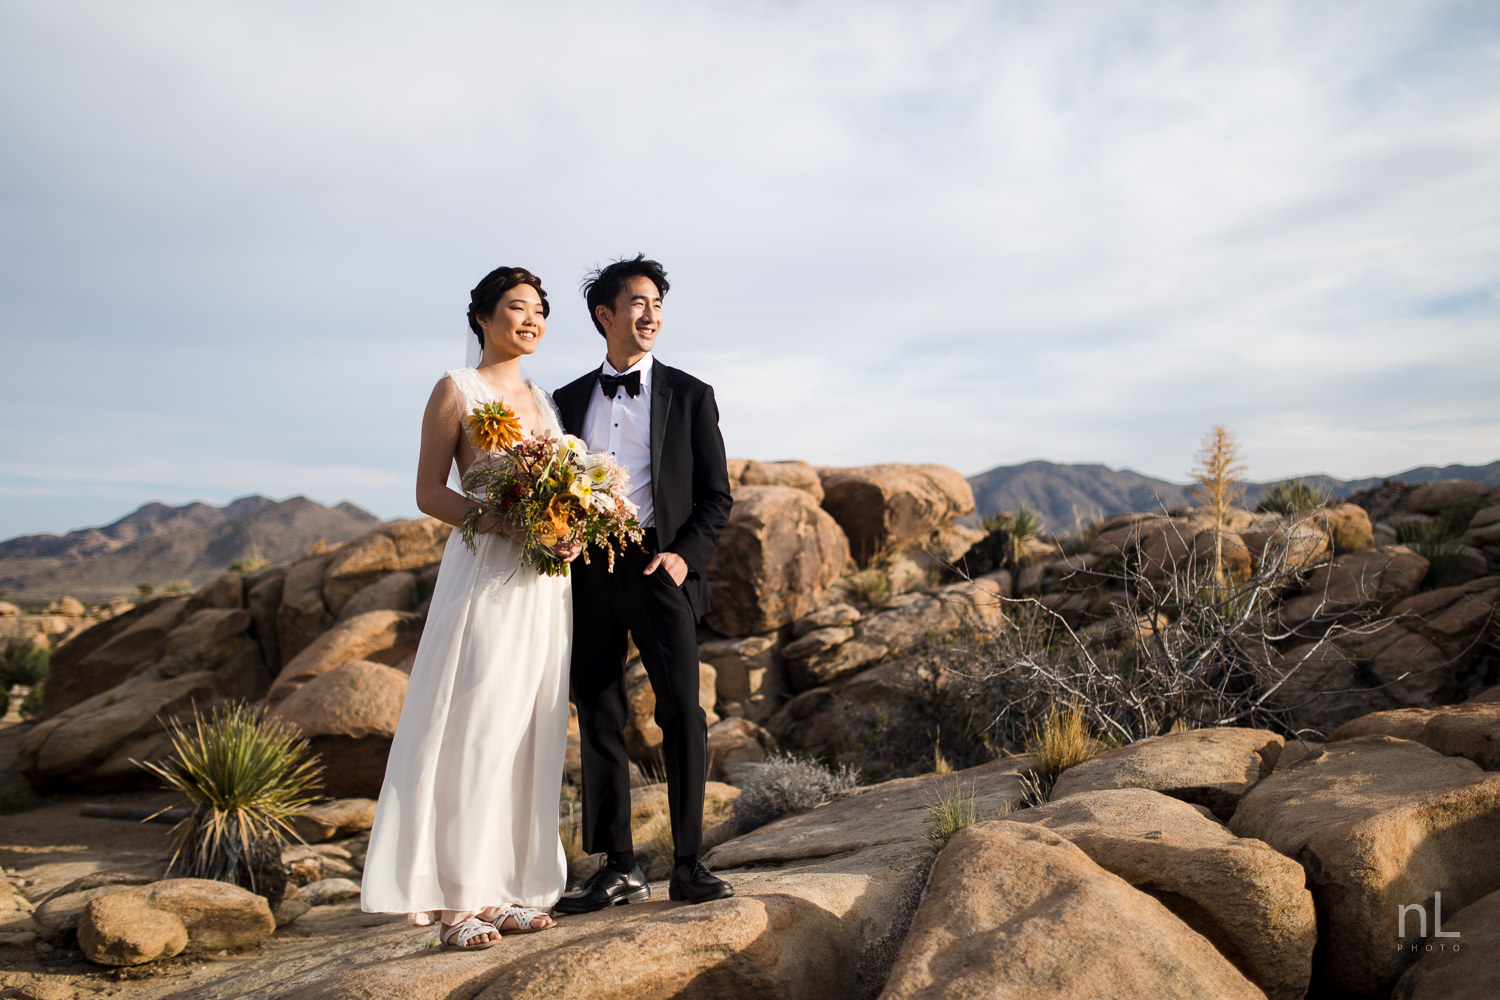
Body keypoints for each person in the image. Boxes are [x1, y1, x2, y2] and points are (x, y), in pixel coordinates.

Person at [361, 266, 582, 950]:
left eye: (540, 311)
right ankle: (458, 904)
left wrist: (572, 527)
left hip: (544, 584)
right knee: (476, 725)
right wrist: (501, 522)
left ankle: (505, 891)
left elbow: (561, 487)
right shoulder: (455, 390)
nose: (532, 320)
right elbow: (430, 492)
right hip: (486, 572)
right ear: (482, 318)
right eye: (517, 308)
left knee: (528, 729)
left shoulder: (544, 400)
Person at [552, 254, 736, 912]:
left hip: (660, 567)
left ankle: (690, 862)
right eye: (637, 302)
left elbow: (717, 497)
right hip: (589, 571)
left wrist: (685, 556)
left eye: (657, 302)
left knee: (680, 711)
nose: (651, 312)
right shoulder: (566, 401)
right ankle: (619, 867)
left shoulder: (690, 395)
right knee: (598, 716)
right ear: (605, 315)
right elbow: (556, 490)